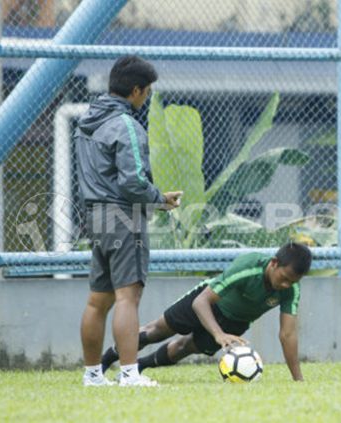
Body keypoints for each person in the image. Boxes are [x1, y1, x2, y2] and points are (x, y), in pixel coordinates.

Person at [75, 55, 182, 387]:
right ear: (136, 90)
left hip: (95, 216)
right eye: (147, 91)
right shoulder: (128, 126)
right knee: (127, 298)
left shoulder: (85, 121)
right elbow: (132, 183)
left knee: (98, 299)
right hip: (122, 216)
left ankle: (93, 375)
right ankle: (129, 374)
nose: (147, 97)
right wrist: (159, 199)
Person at [101, 242, 312, 382]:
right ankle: (104, 362)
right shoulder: (249, 267)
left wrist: (298, 380)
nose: (285, 285)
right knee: (157, 331)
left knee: (185, 347)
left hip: (235, 322)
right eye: (284, 278)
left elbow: (287, 334)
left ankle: (136, 369)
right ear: (274, 263)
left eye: (292, 282)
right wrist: (217, 334)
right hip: (206, 302)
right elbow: (201, 302)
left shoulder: (291, 289)